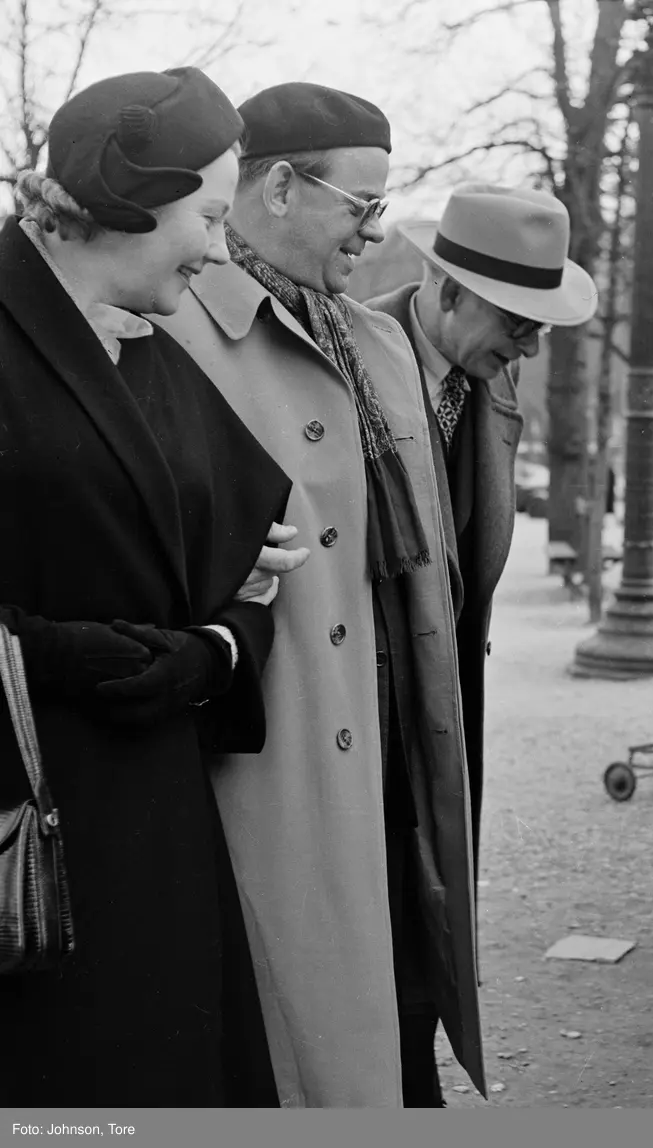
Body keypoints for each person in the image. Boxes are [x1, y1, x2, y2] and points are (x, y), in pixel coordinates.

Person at [153, 82, 482, 1108]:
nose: (371, 233)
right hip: (277, 753)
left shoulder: (375, 341)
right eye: (362, 205)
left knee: (399, 999)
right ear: (282, 186)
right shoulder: (167, 334)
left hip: (394, 751)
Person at [0, 68, 307, 1105]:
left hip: (155, 821)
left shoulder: (151, 348)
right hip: (25, 829)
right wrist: (68, 652)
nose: (220, 246)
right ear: (130, 194)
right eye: (210, 213)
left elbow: (256, 559)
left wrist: (216, 647)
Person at [365, 182, 598, 1100]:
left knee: (435, 907)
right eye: (519, 321)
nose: (531, 347)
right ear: (448, 292)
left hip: (449, 694)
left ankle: (414, 1067)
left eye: (543, 328)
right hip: (368, 705)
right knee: (378, 907)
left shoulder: (491, 383)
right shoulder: (341, 362)